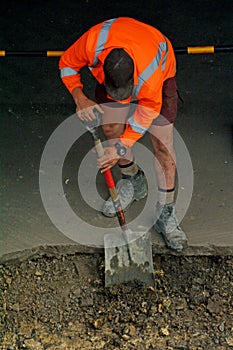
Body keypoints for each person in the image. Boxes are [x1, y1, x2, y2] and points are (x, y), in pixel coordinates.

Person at [59, 17, 188, 252]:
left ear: (134, 80)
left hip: (161, 65)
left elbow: (145, 116)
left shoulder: (150, 76)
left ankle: (165, 212)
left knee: (163, 146)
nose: (122, 100)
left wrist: (119, 147)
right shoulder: (92, 43)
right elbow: (67, 63)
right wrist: (80, 97)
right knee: (110, 129)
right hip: (123, 50)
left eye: (125, 94)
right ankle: (133, 181)